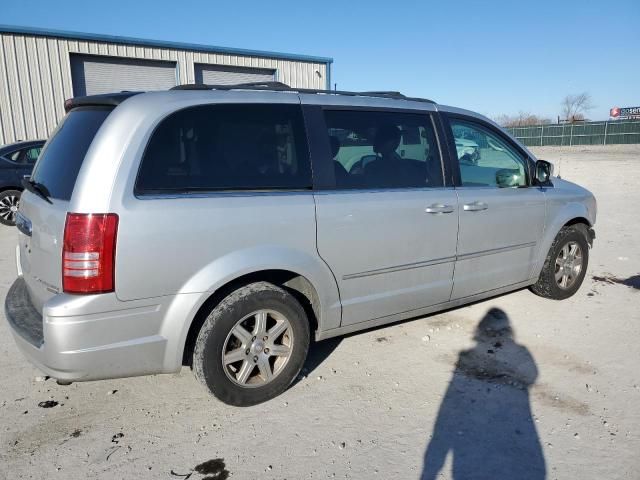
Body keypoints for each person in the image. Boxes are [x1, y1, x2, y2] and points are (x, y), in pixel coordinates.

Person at [422, 308, 546, 480]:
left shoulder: (471, 355)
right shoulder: (521, 351)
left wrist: (429, 471)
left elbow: (531, 374)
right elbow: (532, 374)